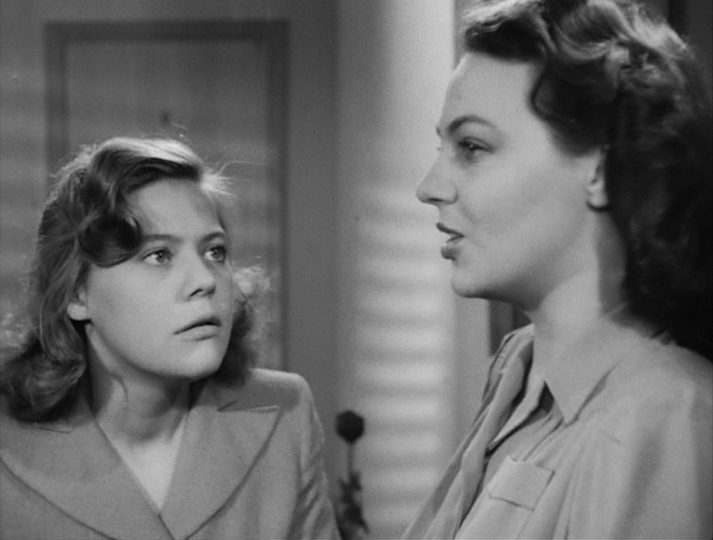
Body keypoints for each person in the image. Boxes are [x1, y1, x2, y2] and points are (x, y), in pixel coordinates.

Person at [404, 0, 712, 538]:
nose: (429, 187)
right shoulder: (519, 372)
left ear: (600, 170)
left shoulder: (660, 415)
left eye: (472, 146)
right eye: (443, 146)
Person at [0, 137, 339, 540]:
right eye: (159, 255)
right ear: (76, 293)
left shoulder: (285, 412)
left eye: (215, 252)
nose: (205, 281)